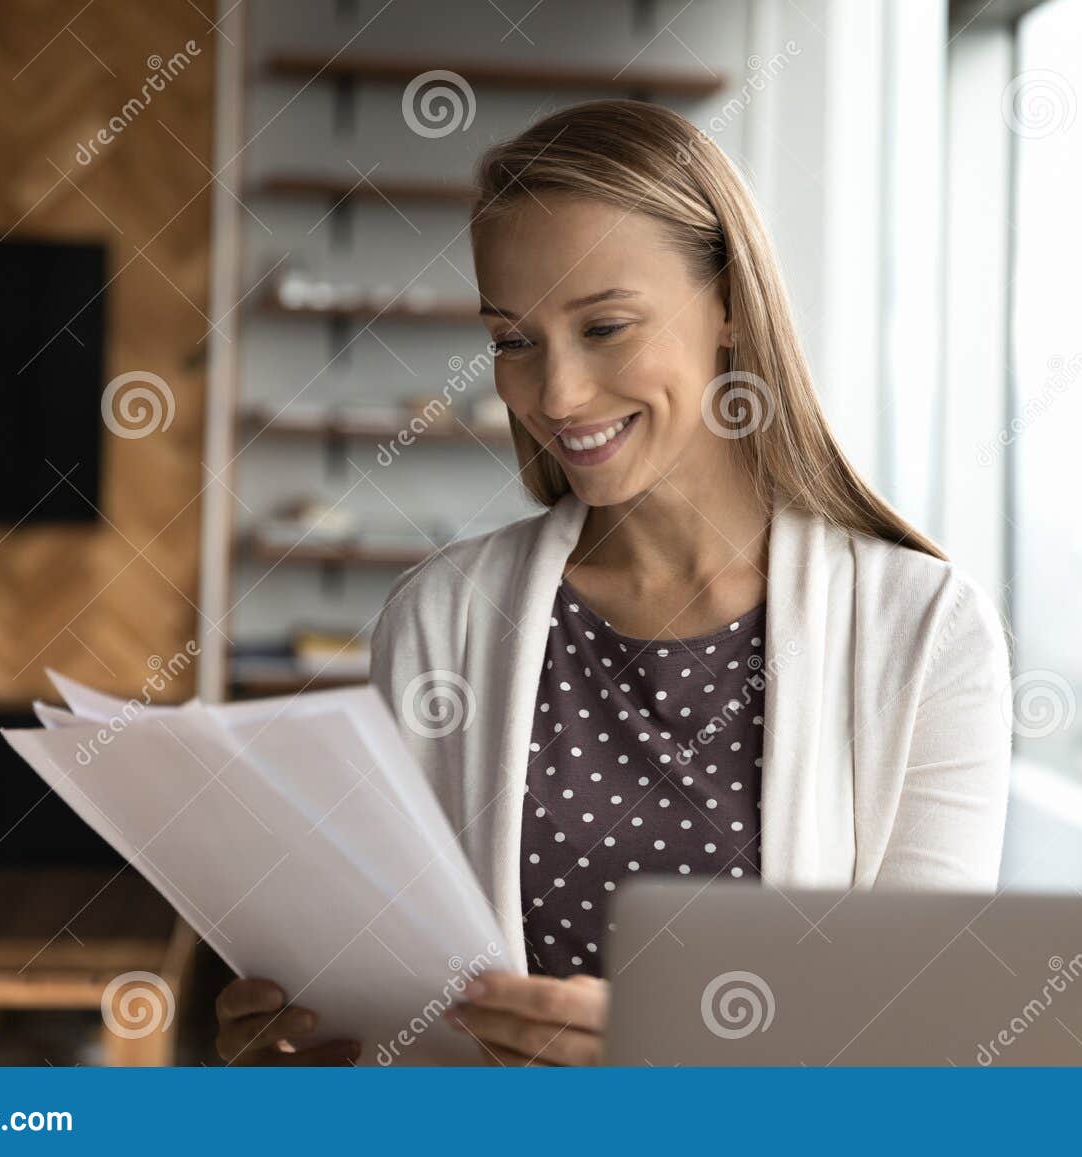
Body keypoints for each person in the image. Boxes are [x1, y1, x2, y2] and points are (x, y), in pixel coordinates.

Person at [215, 99, 1012, 1067]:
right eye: (513, 340)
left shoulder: (922, 633)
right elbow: (412, 1033)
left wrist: (668, 1062)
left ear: (727, 303)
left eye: (604, 326)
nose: (554, 394)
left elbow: (927, 1047)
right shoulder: (437, 621)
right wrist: (299, 1055)